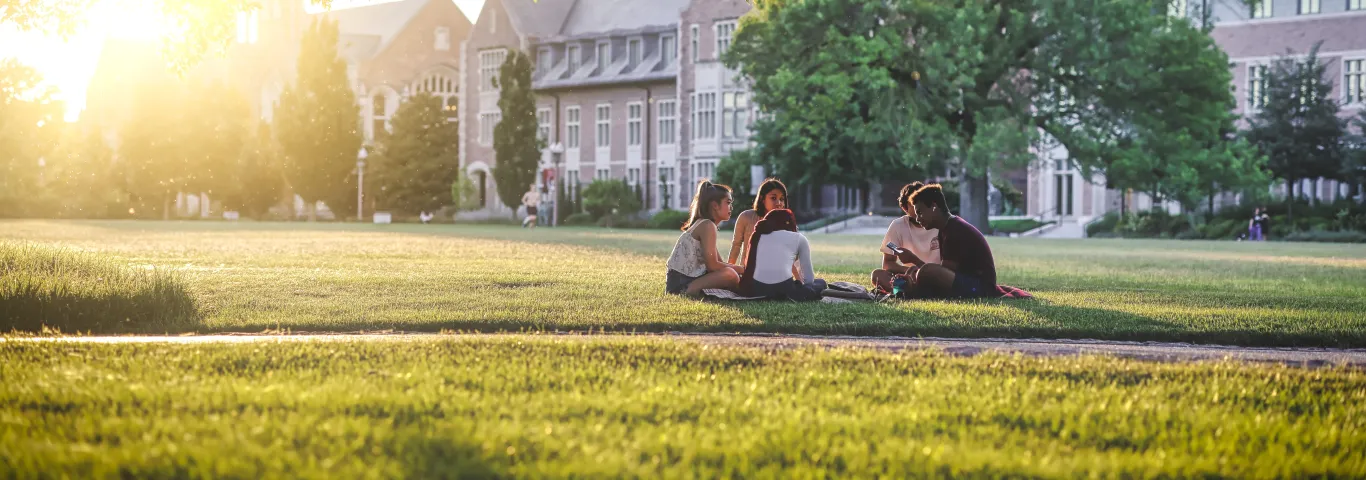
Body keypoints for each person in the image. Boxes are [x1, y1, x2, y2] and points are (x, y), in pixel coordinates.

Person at [906, 184, 997, 298]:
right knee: (918, 271)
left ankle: (909, 292)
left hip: (980, 288)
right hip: (966, 281)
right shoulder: (945, 228)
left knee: (926, 271)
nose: (917, 219)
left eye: (920, 213)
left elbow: (942, 272)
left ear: (934, 207)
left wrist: (918, 268)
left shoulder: (956, 229)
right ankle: (909, 290)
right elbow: (945, 271)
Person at [666, 181, 744, 297]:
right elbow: (713, 266)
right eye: (728, 203)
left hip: (681, 280)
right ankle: (691, 291)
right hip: (681, 284)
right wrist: (741, 269)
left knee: (732, 274)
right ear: (715, 205)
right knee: (730, 274)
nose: (731, 207)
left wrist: (740, 272)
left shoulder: (704, 224)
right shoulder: (707, 225)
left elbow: (719, 263)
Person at [739, 209, 826, 301]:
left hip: (758, 290)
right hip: (784, 290)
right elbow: (809, 280)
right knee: (821, 283)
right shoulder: (799, 238)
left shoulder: (758, 235)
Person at [871, 181, 941, 293]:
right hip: (910, 278)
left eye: (924, 202)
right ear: (905, 208)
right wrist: (911, 271)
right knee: (877, 275)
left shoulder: (940, 223)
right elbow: (888, 263)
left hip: (938, 277)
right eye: (914, 204)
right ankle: (910, 291)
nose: (920, 208)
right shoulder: (898, 225)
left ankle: (909, 292)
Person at [729, 178, 788, 266]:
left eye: (782, 199)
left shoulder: (787, 222)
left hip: (775, 274)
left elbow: (793, 253)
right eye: (773, 198)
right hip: (748, 273)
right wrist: (730, 268)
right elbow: (736, 245)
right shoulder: (746, 217)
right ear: (762, 199)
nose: (779, 203)